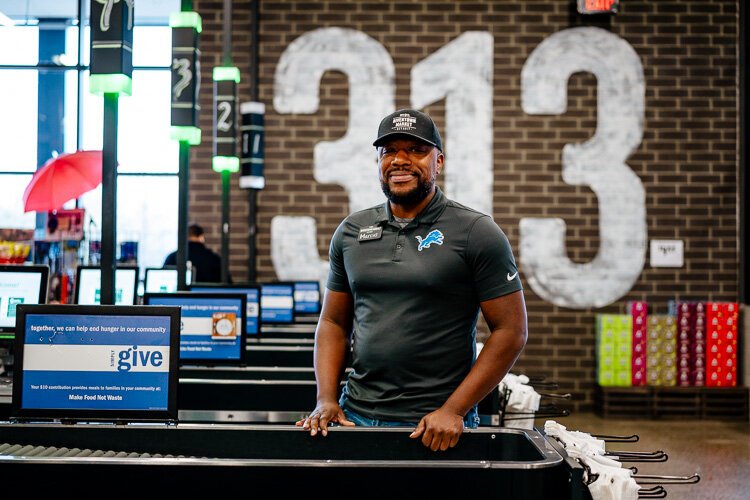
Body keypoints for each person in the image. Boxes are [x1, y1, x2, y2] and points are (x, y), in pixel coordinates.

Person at [298, 108, 528, 451]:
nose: (400, 160)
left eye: (416, 150)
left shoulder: (476, 232)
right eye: (389, 151)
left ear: (438, 162)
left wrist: (454, 410)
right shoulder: (351, 231)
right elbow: (333, 321)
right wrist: (326, 398)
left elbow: (511, 331)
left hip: (434, 426)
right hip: (353, 415)